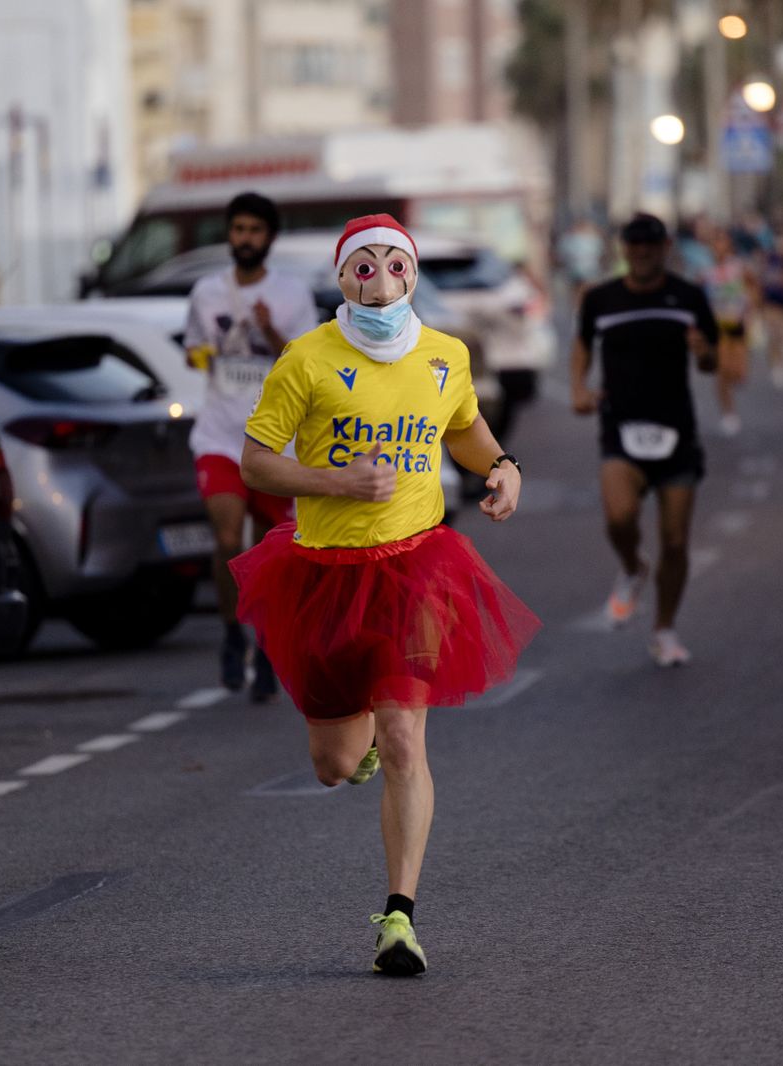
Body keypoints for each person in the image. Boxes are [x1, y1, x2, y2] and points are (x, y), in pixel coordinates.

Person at [233, 214, 539, 976]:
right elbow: (255, 463)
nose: (380, 279)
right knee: (335, 763)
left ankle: (399, 918)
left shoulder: (444, 355)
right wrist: (336, 481)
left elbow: (463, 426)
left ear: (412, 275)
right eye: (361, 266)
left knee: (406, 734)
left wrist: (502, 464)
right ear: (341, 280)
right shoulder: (307, 360)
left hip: (417, 564)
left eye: (394, 264)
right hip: (326, 573)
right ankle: (353, 745)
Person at [183, 192, 319, 701]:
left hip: (273, 440)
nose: (245, 239)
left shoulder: (292, 293)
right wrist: (204, 353)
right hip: (218, 434)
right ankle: (230, 632)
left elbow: (307, 362)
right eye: (238, 229)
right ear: (229, 233)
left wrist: (269, 329)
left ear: (270, 237)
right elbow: (194, 353)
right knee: (225, 538)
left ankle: (265, 645)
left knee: (268, 554)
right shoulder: (206, 293)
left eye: (255, 230)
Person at [572, 213, 718, 667]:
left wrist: (704, 353)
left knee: (675, 541)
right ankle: (634, 567)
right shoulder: (600, 299)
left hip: (677, 431)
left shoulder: (689, 296)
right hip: (621, 426)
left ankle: (664, 629)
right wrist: (579, 388)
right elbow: (582, 347)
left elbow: (712, 360)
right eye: (634, 246)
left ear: (665, 247)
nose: (642, 253)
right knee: (620, 517)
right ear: (623, 249)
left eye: (651, 246)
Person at [703, 228, 754, 437]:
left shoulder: (739, 268)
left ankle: (731, 393)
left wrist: (751, 311)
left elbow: (753, 288)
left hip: (738, 323)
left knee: (738, 374)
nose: (719, 248)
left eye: (722, 242)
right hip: (717, 326)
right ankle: (729, 414)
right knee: (722, 370)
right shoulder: (706, 271)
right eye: (715, 243)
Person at [758, 227, 783, 391]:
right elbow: (761, 278)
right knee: (774, 334)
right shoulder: (770, 258)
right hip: (771, 301)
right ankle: (777, 364)